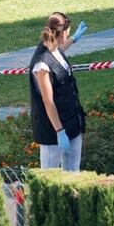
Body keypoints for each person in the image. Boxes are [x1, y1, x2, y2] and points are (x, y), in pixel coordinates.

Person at [28, 12, 88, 171]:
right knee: (48, 178)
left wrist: (74, 39)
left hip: (72, 121)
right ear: (62, 33)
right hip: (52, 130)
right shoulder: (41, 65)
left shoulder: (53, 46)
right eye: (68, 34)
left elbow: (59, 51)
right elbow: (48, 101)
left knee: (72, 174)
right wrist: (60, 131)